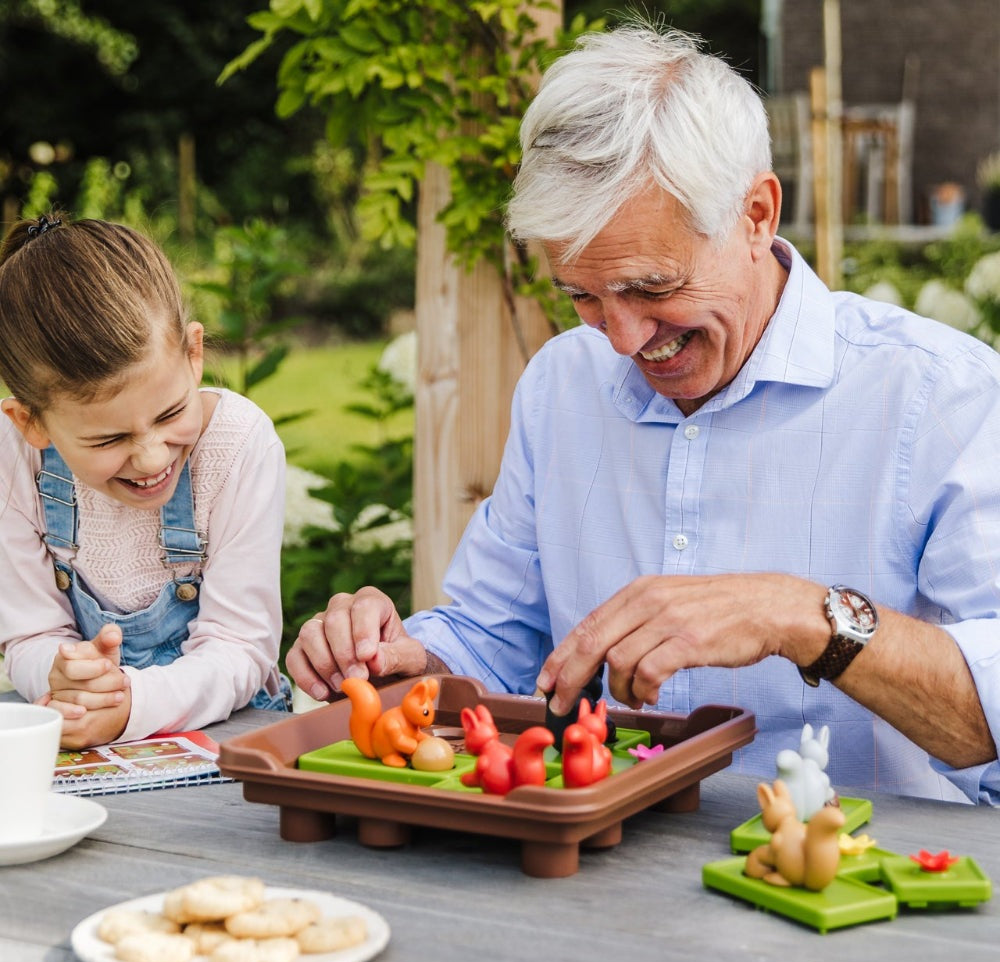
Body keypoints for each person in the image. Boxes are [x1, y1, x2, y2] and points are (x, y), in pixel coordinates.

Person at [287, 24, 1000, 804]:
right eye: (583, 296)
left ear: (757, 215)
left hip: (861, 897)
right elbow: (491, 641)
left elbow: (989, 725)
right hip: (592, 877)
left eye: (652, 287)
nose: (623, 339)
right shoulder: (562, 383)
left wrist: (804, 616)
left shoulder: (942, 398)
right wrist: (394, 662)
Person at [0, 214, 290, 749]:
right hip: (88, 740)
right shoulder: (13, 457)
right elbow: (30, 636)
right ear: (30, 422)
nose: (152, 455)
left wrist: (128, 703)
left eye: (169, 413)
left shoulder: (237, 446)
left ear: (194, 352)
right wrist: (63, 677)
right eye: (108, 440)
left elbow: (240, 647)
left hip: (227, 741)